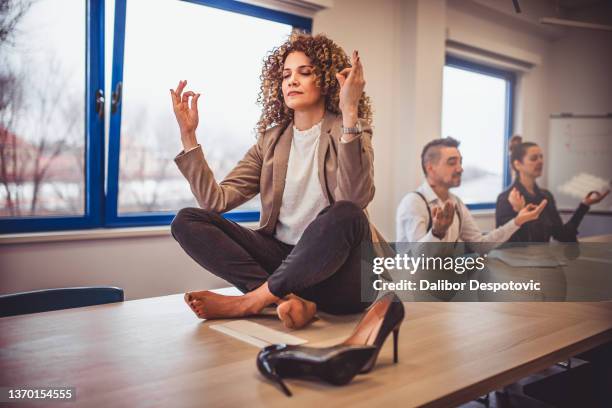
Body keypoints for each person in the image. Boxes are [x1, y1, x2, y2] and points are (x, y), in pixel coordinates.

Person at [169, 33, 381, 329]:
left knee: (347, 214)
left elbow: (355, 199)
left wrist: (349, 111)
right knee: (186, 221)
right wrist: (188, 135)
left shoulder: (350, 129)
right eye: (286, 75)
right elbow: (213, 201)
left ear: (328, 82)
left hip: (341, 278)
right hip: (285, 267)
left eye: (304, 72)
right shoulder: (270, 141)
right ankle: (285, 302)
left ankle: (252, 300)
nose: (292, 81)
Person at [396, 137, 546, 254]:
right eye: (452, 163)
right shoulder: (414, 202)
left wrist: (518, 221)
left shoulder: (456, 203)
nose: (460, 169)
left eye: (460, 162)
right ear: (431, 168)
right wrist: (437, 233)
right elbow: (419, 260)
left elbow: (481, 245)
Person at [496, 135, 609, 242]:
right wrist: (520, 213)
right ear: (517, 164)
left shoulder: (546, 196)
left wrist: (584, 205)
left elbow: (563, 235)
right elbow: (508, 244)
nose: (540, 161)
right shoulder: (506, 199)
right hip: (516, 262)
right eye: (534, 158)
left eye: (541, 157)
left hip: (544, 260)